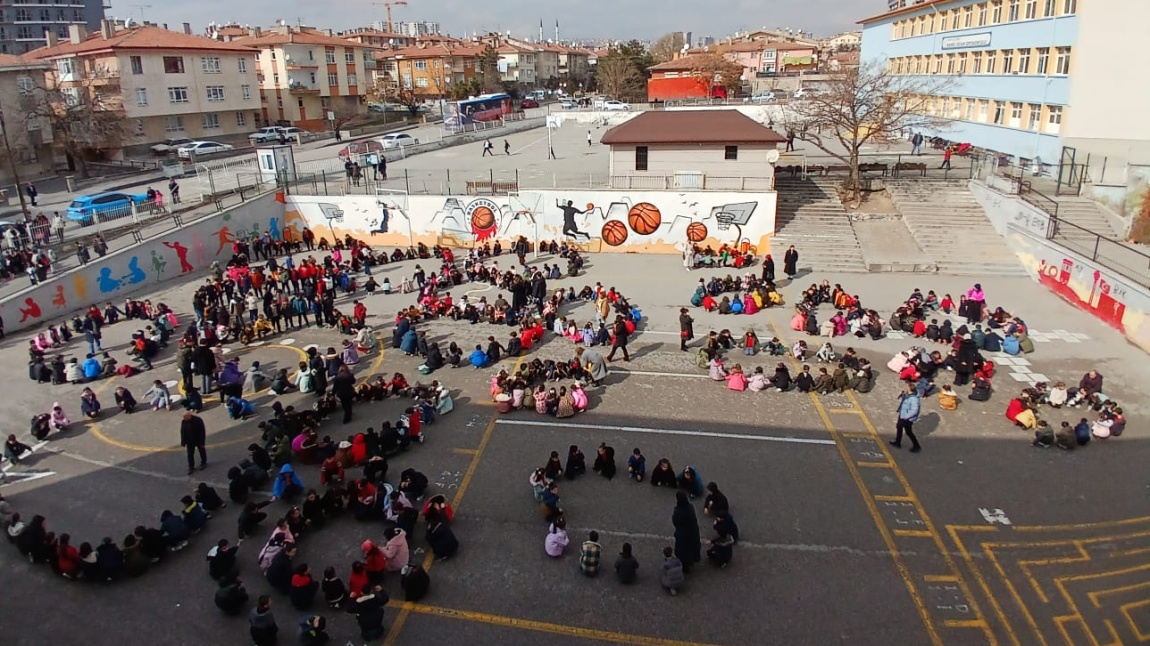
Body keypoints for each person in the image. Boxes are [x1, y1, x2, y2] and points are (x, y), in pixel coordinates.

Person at [672, 491, 701, 572]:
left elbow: (675, 522)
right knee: (693, 547)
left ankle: (685, 566)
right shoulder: (690, 507)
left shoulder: (678, 511)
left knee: (683, 551)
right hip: (693, 531)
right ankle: (693, 559)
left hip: (682, 533)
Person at [891, 383, 922, 453]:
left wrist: (906, 416)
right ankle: (897, 442)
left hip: (906, 418)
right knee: (899, 427)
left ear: (910, 389)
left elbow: (914, 410)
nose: (906, 388)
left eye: (907, 387)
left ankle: (916, 445)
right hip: (902, 415)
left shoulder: (914, 400)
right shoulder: (909, 395)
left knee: (908, 431)